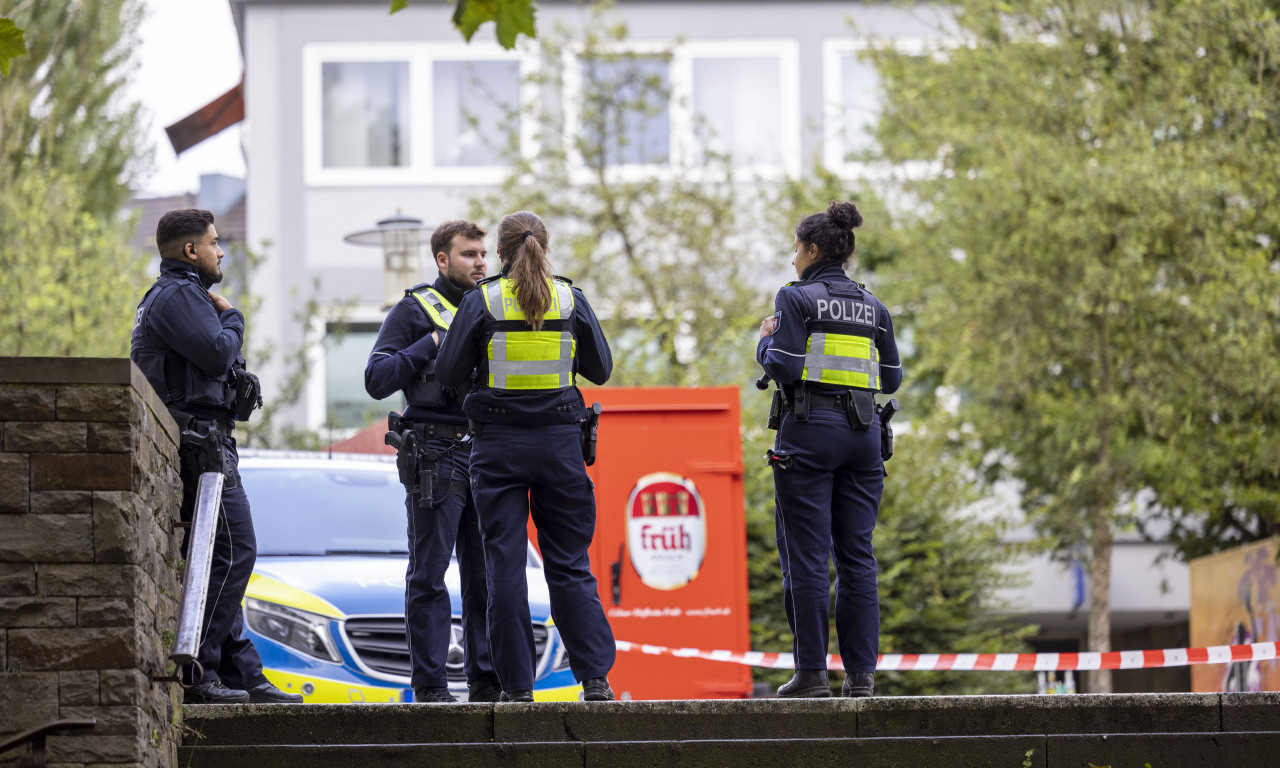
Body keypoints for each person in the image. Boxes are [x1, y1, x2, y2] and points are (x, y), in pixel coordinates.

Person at [434, 211, 616, 703]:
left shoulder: (483, 300)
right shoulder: (569, 298)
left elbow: (449, 372)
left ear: (499, 252)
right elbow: (601, 369)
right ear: (545, 245)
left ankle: (517, 689)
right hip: (560, 447)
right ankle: (595, 680)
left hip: (497, 449)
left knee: (505, 569)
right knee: (569, 564)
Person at [130, 209, 301, 704]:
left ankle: (242, 672)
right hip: (200, 446)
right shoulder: (180, 295)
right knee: (234, 550)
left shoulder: (181, 296)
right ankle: (197, 669)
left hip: (208, 440)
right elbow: (216, 354)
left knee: (215, 559)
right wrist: (232, 317)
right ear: (190, 251)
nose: (220, 250)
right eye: (213, 241)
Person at [756, 200, 902, 699]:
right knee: (857, 557)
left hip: (808, 433)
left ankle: (813, 676)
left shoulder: (795, 298)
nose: (792, 258)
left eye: (796, 249)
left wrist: (763, 343)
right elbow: (891, 377)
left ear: (813, 249)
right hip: (863, 438)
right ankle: (861, 679)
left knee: (808, 556)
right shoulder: (872, 305)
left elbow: (784, 367)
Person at [363, 220, 502, 704]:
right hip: (436, 455)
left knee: (486, 575)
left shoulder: (496, 305)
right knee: (429, 573)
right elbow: (376, 378)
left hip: (486, 453)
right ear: (442, 260)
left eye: (484, 254)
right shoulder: (416, 309)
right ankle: (431, 688)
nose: (481, 263)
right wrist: (429, 345)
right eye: (469, 255)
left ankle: (488, 684)